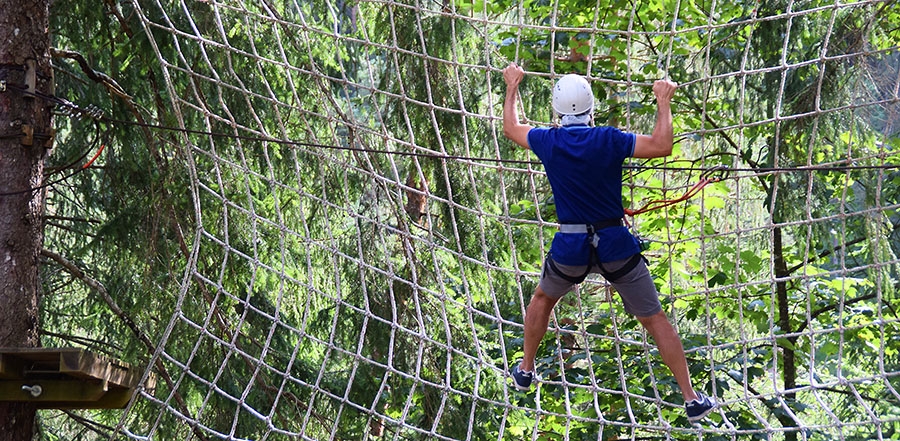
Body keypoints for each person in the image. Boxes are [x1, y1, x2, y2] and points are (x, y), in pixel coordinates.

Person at [500, 62, 717, 422]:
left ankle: (525, 369)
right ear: (591, 107)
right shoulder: (609, 139)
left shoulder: (548, 141)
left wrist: (512, 86)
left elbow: (511, 128)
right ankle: (691, 399)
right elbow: (663, 145)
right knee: (654, 318)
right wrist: (663, 100)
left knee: (543, 298)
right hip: (615, 245)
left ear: (556, 110)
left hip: (570, 249)